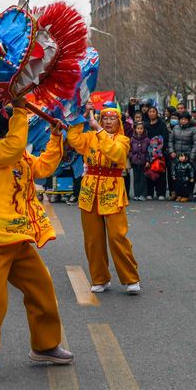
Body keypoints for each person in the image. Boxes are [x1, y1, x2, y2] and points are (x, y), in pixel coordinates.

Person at [0, 102, 71, 388]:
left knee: (42, 288)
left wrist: (56, 137)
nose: (12, 122)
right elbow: (11, 148)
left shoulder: (19, 156)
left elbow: (43, 167)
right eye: (7, 118)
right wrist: (21, 111)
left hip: (17, 236)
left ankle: (45, 345)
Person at [67, 107, 141, 294]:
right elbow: (74, 140)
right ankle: (100, 278)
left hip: (112, 189)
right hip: (90, 189)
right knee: (93, 239)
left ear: (119, 122)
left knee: (117, 236)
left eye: (112, 119)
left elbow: (116, 154)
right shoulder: (90, 137)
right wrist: (80, 117)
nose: (108, 122)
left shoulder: (122, 140)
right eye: (104, 118)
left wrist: (99, 130)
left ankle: (131, 278)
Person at [169, 112, 196, 200]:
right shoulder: (175, 128)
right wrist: (171, 151)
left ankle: (187, 194)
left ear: (189, 120)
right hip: (177, 156)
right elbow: (171, 141)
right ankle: (177, 193)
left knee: (188, 177)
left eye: (185, 119)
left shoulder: (194, 129)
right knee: (177, 176)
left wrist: (191, 157)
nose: (183, 121)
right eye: (181, 119)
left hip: (188, 156)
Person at [128, 123, 149, 200]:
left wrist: (147, 161)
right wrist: (131, 157)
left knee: (143, 179)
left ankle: (143, 195)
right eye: (138, 128)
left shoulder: (146, 139)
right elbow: (129, 149)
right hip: (135, 162)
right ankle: (136, 194)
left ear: (144, 130)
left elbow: (148, 151)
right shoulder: (132, 139)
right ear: (135, 129)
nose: (139, 130)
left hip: (143, 162)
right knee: (136, 179)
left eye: (141, 129)